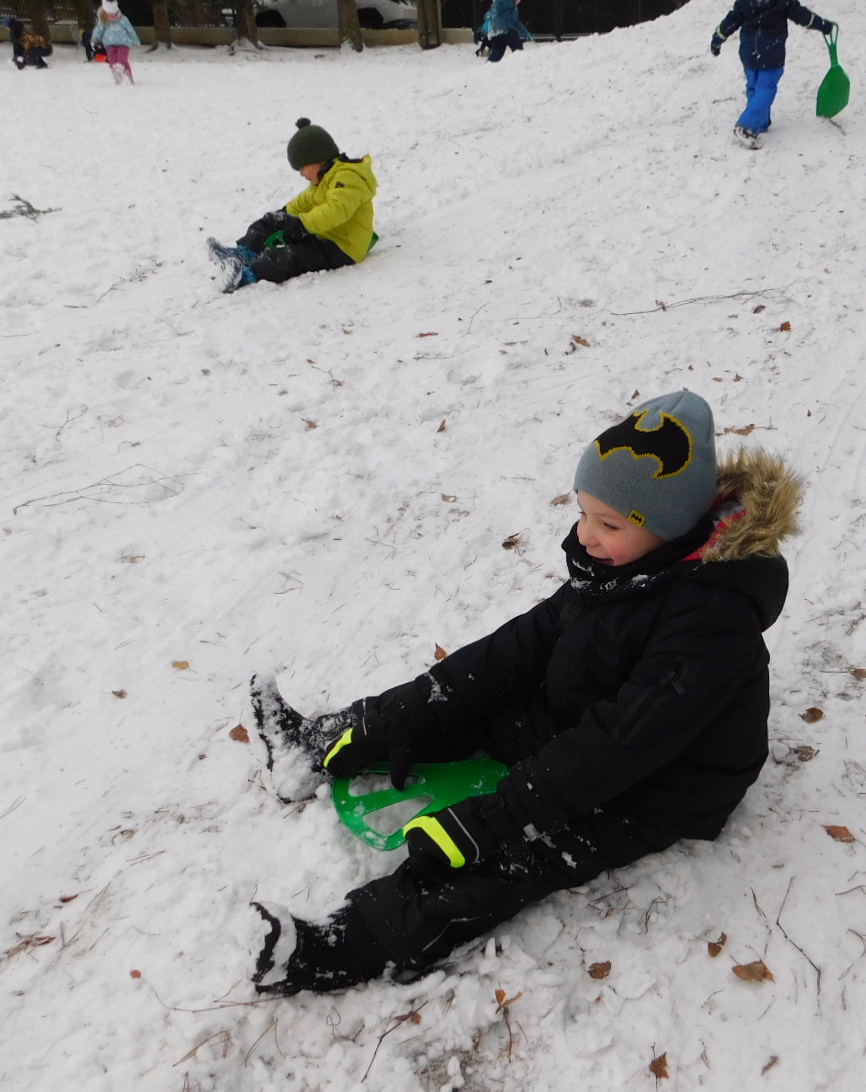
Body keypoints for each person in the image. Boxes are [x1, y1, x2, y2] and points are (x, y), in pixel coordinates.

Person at [245, 392, 802, 995]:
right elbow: (516, 649)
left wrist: (489, 823)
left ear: (667, 526)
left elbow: (617, 748)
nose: (585, 535)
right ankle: (313, 748)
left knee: (522, 851)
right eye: (583, 513)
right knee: (462, 712)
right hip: (587, 714)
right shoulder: (627, 564)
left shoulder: (711, 621)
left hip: (665, 781)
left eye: (609, 525)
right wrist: (397, 716)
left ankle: (337, 947)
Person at [206, 118, 377, 293]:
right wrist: (283, 216)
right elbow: (303, 201)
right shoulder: (324, 179)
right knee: (273, 220)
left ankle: (245, 274)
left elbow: (335, 211)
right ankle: (242, 253)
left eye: (302, 168)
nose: (301, 174)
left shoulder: (348, 179)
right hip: (322, 235)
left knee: (291, 256)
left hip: (342, 248)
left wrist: (301, 225)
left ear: (318, 159)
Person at [709, 0, 835, 150]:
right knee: (765, 88)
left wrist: (717, 38)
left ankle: (760, 121)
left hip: (750, 52)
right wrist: (823, 25)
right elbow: (802, 15)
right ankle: (746, 126)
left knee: (754, 86)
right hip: (772, 52)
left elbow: (731, 21)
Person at [91, 0, 139, 83]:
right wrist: (95, 38)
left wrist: (135, 40)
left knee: (121, 60)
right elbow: (99, 30)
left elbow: (130, 30)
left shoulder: (123, 20)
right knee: (113, 62)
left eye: (114, 14)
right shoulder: (103, 21)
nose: (113, 16)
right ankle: (119, 78)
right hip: (109, 44)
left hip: (124, 43)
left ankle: (128, 76)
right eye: (110, 14)